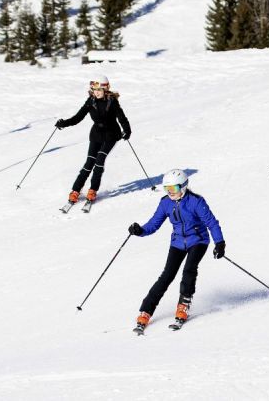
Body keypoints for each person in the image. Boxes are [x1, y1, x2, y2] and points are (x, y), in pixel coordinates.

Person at [128, 169, 226, 330]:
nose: (170, 193)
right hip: (178, 242)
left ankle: (183, 305)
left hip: (198, 241)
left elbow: (212, 223)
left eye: (173, 189)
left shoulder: (196, 201)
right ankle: (146, 310)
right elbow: (153, 224)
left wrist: (219, 243)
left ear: (183, 186)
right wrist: (140, 230)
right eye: (167, 189)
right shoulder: (165, 202)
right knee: (166, 276)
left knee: (189, 270)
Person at [56, 75, 131, 204]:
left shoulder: (112, 101)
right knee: (89, 163)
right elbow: (77, 118)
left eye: (99, 89)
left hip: (111, 134)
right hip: (96, 134)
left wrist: (127, 130)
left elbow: (121, 117)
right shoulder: (90, 101)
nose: (96, 92)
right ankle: (75, 190)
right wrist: (64, 123)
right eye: (94, 89)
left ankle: (93, 189)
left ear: (106, 89)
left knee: (100, 160)